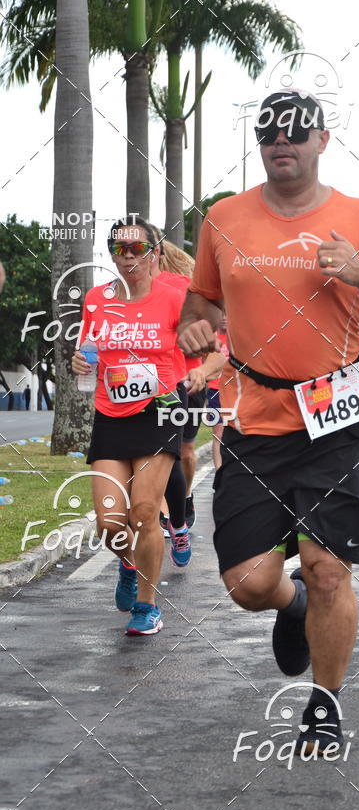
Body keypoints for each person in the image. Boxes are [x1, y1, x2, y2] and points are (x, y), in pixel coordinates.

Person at [178, 90, 359, 753]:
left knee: (327, 568)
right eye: (268, 132)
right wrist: (195, 330)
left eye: (295, 131)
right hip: (253, 418)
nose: (280, 141)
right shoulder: (224, 218)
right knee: (249, 583)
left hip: (335, 416)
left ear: (322, 140)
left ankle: (325, 702)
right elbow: (196, 303)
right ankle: (287, 606)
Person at [71, 217, 191, 635]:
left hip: (161, 409)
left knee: (143, 511)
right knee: (109, 522)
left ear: (154, 253)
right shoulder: (96, 298)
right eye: (118, 248)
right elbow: (88, 351)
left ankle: (147, 606)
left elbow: (205, 344)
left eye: (136, 248)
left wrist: (199, 366)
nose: (126, 256)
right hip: (112, 413)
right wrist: (80, 361)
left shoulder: (174, 296)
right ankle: (127, 561)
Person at [150, 233, 225, 534]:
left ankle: (184, 497)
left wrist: (202, 372)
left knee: (185, 453)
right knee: (154, 453)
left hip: (188, 383)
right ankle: (163, 513)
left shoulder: (182, 289)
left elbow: (216, 352)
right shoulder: (127, 295)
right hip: (150, 387)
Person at [205, 312, 229, 471]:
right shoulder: (210, 339)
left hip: (236, 390)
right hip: (215, 390)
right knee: (218, 433)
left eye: (228, 314)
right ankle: (219, 471)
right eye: (222, 314)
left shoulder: (239, 336)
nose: (225, 318)